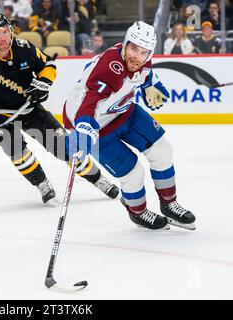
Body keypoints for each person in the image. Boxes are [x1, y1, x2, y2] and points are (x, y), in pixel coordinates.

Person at [0, 14, 119, 205]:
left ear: (11, 31)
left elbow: (48, 64)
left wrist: (43, 82)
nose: (3, 37)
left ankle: (98, 179)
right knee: (17, 152)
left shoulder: (24, 48)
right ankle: (42, 184)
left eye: (5, 31)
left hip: (29, 109)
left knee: (66, 147)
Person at [63, 21, 196, 230]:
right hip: (93, 124)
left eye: (144, 52)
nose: (137, 57)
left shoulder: (143, 61)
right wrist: (84, 130)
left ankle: (169, 204)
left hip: (123, 111)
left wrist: (152, 85)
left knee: (162, 150)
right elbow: (91, 101)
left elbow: (146, 74)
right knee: (133, 173)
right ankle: (138, 212)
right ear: (125, 44)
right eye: (133, 48)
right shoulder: (109, 68)